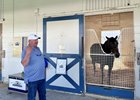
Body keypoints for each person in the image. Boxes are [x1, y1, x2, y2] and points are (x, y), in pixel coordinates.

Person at [21, 34, 46, 100]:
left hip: (41, 78)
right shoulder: (25, 50)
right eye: (35, 40)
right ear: (29, 41)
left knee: (43, 96)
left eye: (37, 40)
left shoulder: (38, 48)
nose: (37, 41)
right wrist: (28, 53)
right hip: (32, 79)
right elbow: (24, 64)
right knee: (32, 97)